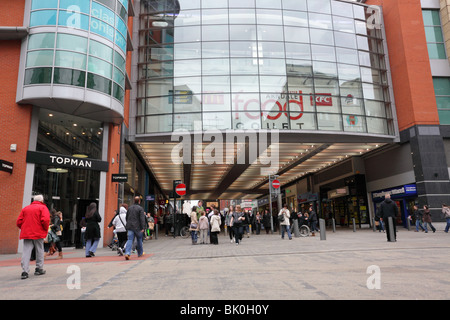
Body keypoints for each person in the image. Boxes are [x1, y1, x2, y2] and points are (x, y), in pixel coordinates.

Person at [16, 194, 50, 279]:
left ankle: (25, 271)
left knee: (26, 251)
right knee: (39, 250)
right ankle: (39, 268)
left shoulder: (25, 209)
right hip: (38, 233)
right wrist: (45, 230)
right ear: (42, 201)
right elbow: (45, 220)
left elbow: (19, 222)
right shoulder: (43, 208)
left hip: (27, 233)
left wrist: (24, 228)